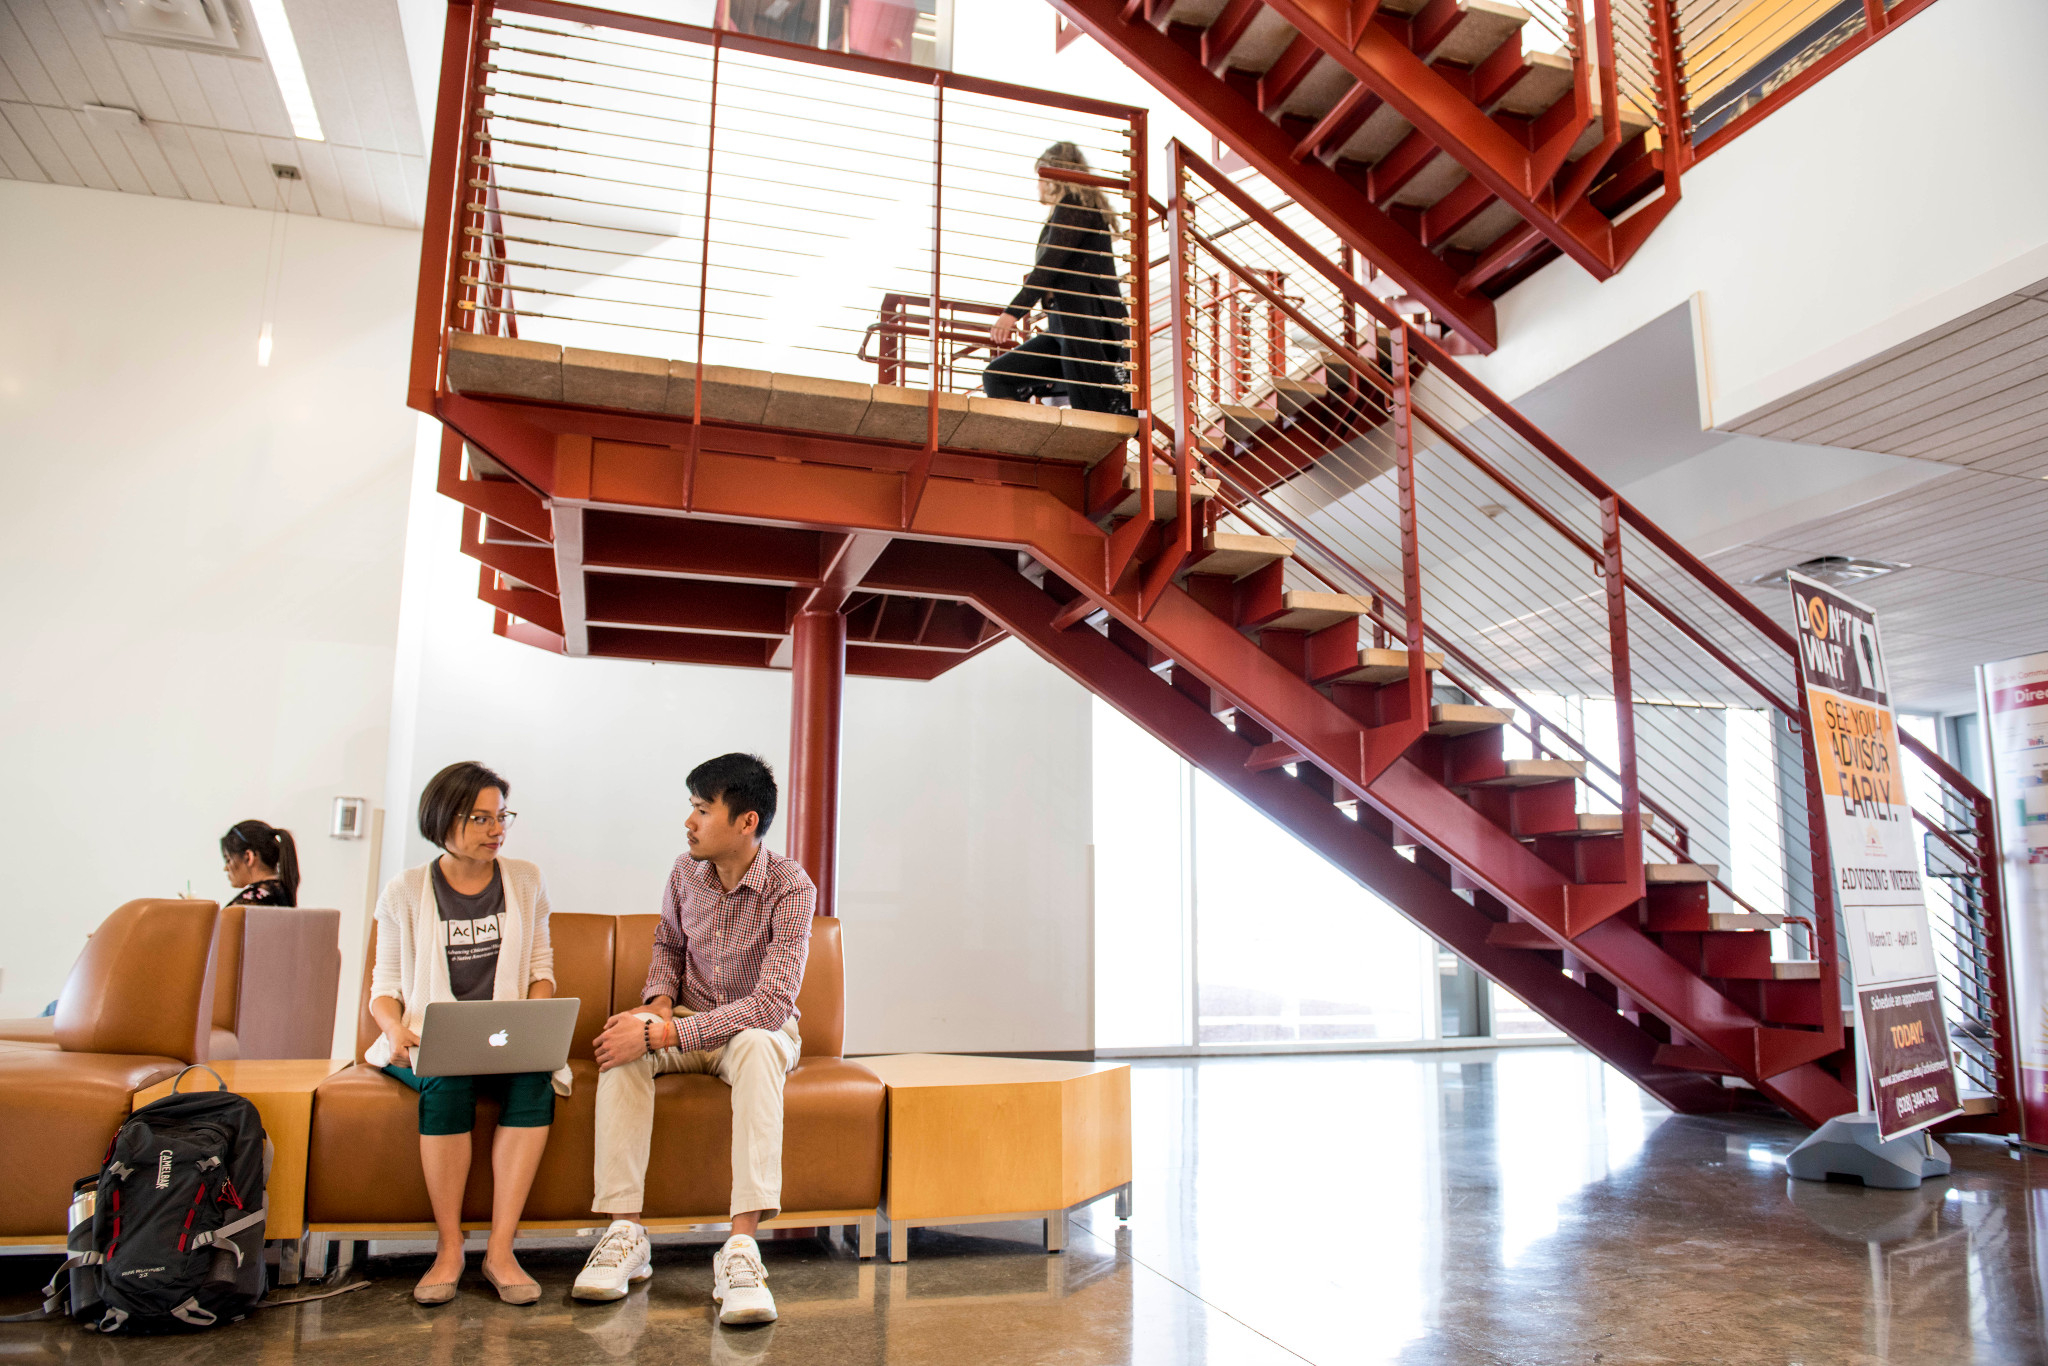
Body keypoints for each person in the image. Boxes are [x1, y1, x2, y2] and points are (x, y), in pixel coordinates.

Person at [572, 753, 813, 1326]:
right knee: (620, 1047)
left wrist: (670, 1031)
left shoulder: (790, 886)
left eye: (703, 810)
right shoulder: (685, 872)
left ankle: (741, 1251)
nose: (690, 822)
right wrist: (654, 1008)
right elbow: (668, 948)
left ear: (746, 821)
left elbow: (772, 1003)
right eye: (692, 808)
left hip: (756, 1027)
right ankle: (625, 1233)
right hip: (685, 1015)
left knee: (757, 1045)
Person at [365, 761, 560, 1307]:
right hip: (429, 1037)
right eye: (481, 818)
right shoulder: (404, 890)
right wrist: (395, 1028)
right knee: (446, 1082)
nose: (497, 829)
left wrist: (530, 1023)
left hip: (505, 1037)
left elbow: (541, 970)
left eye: (502, 817)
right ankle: (449, 1249)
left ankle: (501, 1250)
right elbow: (383, 986)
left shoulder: (524, 880)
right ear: (443, 820)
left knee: (534, 1083)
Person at [982, 141, 1134, 416]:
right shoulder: (1067, 211)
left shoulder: (1076, 206)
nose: (1038, 185)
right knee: (998, 376)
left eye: (1040, 177)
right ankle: (1025, 444)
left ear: (1054, 175)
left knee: (1093, 410)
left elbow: (1049, 265)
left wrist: (1011, 313)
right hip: (1062, 325)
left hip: (1085, 324)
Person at [219, 820, 299, 906]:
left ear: (248, 856)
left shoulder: (246, 904)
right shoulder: (285, 896)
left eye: (228, 860)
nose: (225, 868)